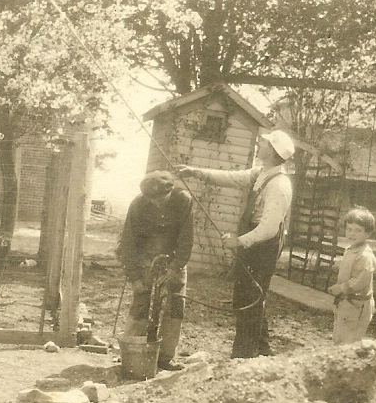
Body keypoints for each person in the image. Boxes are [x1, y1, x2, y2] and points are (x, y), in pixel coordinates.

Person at [176, 129, 295, 358]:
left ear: (272, 151)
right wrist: (195, 172)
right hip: (254, 238)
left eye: (264, 143)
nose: (259, 145)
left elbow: (269, 228)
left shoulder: (279, 185)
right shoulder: (261, 173)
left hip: (263, 244)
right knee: (249, 295)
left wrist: (239, 242)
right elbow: (231, 178)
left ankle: (244, 355)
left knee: (250, 298)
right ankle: (262, 349)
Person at [116, 170, 194, 371]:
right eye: (153, 200)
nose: (157, 204)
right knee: (140, 302)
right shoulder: (138, 205)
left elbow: (186, 240)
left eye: (161, 199)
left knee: (175, 305)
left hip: (173, 258)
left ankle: (166, 357)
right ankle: (131, 351)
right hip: (145, 258)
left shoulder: (183, 201)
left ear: (170, 191)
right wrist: (135, 278)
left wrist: (174, 269)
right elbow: (127, 244)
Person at [328, 206, 376, 345]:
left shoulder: (364, 256)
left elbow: (360, 281)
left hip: (357, 305)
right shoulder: (350, 250)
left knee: (350, 341)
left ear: (368, 233)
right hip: (347, 302)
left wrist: (341, 288)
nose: (352, 234)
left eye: (358, 230)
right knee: (340, 336)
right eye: (349, 229)